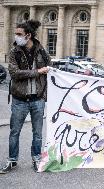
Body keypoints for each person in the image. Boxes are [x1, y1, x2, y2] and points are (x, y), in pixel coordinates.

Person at [0, 20, 51, 174]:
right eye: (16, 34)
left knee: (37, 133)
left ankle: (36, 159)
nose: (16, 37)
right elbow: (14, 74)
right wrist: (38, 72)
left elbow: (50, 68)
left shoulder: (41, 51)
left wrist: (45, 92)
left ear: (28, 35)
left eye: (19, 34)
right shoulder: (14, 52)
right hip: (19, 100)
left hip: (38, 99)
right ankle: (12, 160)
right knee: (14, 132)